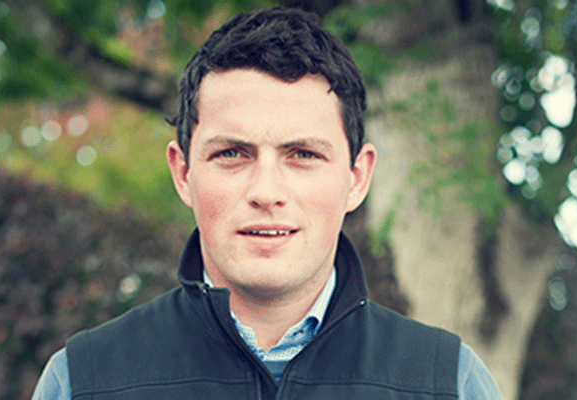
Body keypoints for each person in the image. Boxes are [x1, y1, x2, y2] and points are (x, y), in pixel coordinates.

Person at [33, 7, 501, 399]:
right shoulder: (82, 382)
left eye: (303, 155)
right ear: (183, 173)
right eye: (232, 154)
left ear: (357, 178)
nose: (266, 191)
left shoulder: (449, 384)